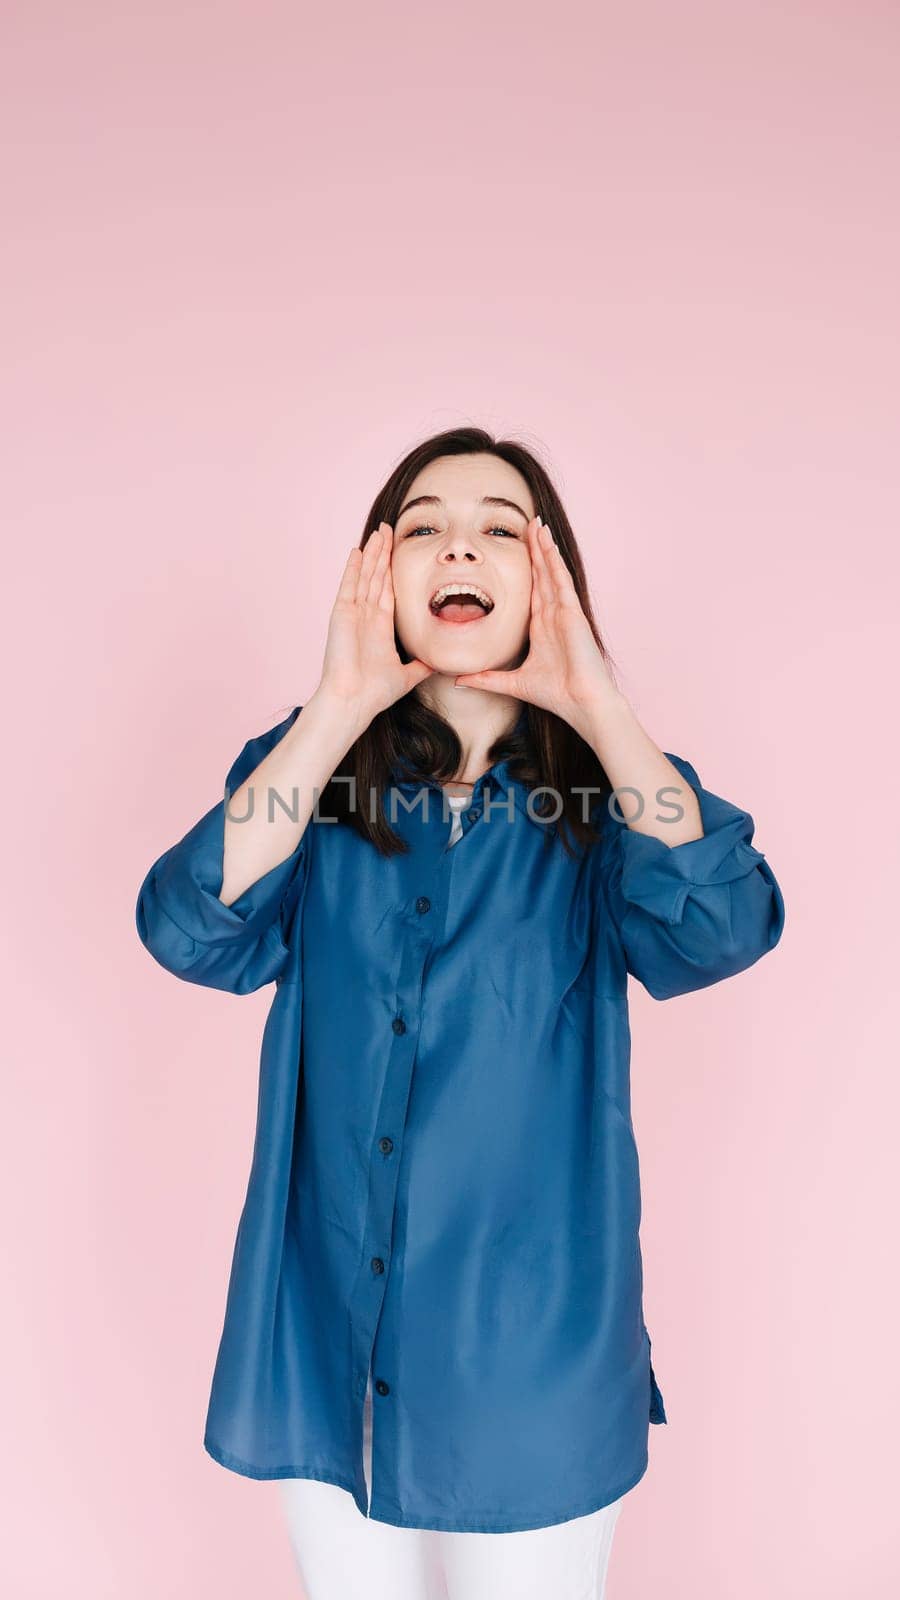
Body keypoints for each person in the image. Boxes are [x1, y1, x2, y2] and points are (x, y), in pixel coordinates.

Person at [135, 427, 785, 1599]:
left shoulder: (614, 797)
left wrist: (595, 702)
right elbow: (189, 927)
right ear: (380, 575)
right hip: (328, 1347)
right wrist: (337, 704)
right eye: (424, 524)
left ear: (549, 579)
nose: (459, 545)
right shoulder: (304, 775)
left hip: (535, 1358)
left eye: (500, 526)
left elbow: (721, 928)